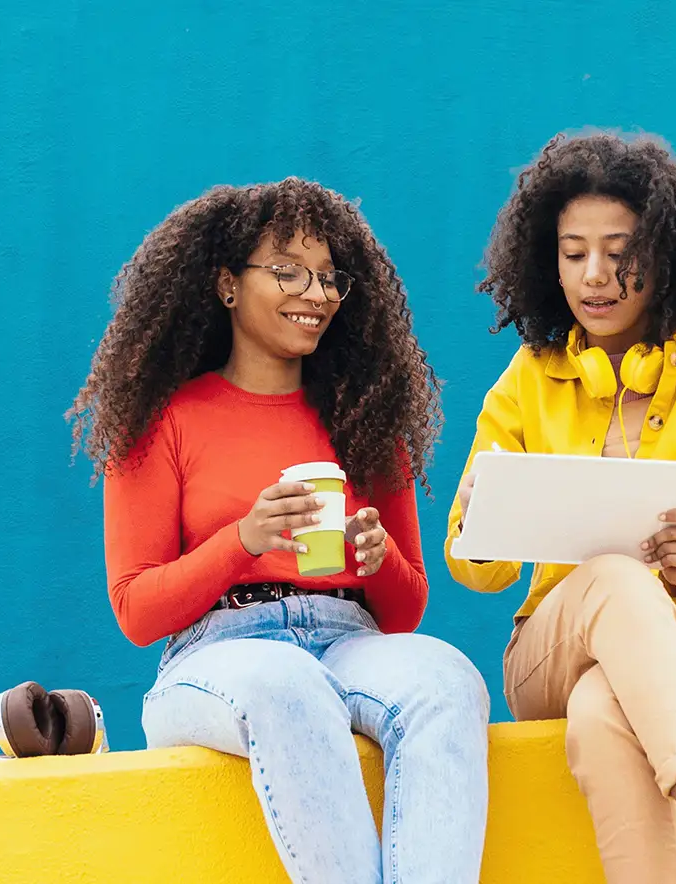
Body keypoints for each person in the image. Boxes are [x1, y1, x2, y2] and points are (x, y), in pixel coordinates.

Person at [69, 177, 490, 883]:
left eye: (330, 278)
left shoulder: (366, 420)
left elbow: (406, 609)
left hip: (348, 640)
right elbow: (138, 611)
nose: (317, 294)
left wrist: (375, 557)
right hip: (216, 654)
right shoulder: (161, 420)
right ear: (227, 285)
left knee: (448, 680)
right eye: (289, 272)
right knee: (287, 680)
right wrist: (244, 540)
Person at [448, 130, 676, 884]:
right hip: (554, 643)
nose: (596, 276)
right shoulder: (527, 379)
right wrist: (481, 527)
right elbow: (477, 569)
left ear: (669, 252)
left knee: (607, 711)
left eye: (621, 251)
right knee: (612, 576)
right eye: (574, 253)